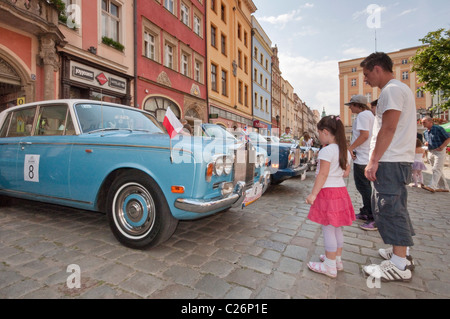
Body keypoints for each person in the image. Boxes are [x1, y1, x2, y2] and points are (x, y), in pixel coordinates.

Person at [361, 52, 416, 282]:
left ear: (377, 69)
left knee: (389, 208)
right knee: (396, 205)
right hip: (396, 158)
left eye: (366, 74)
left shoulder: (391, 90)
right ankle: (400, 251)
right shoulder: (399, 88)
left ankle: (399, 264)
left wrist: (373, 160)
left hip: (390, 159)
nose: (365, 80)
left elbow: (389, 128)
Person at [305, 115, 355, 278]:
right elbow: (346, 173)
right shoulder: (345, 151)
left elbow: (323, 174)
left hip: (328, 192)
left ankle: (329, 266)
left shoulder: (326, 151)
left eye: (319, 132)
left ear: (325, 132)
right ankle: (336, 260)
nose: (318, 135)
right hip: (340, 191)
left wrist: (313, 194)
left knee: (328, 229)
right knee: (337, 227)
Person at [346, 95, 376, 231]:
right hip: (364, 156)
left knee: (363, 187)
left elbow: (364, 135)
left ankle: (371, 215)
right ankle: (365, 211)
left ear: (357, 105)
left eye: (351, 105)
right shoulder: (369, 115)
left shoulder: (363, 116)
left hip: (362, 157)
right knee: (364, 187)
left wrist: (351, 148)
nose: (350, 108)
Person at [421, 116, 450, 192]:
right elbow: (426, 141)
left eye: (424, 122)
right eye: (422, 122)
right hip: (431, 151)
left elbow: (448, 138)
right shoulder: (425, 132)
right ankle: (444, 187)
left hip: (439, 151)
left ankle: (432, 186)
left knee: (436, 169)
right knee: (437, 169)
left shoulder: (438, 128)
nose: (422, 123)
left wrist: (442, 147)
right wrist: (426, 143)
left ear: (430, 122)